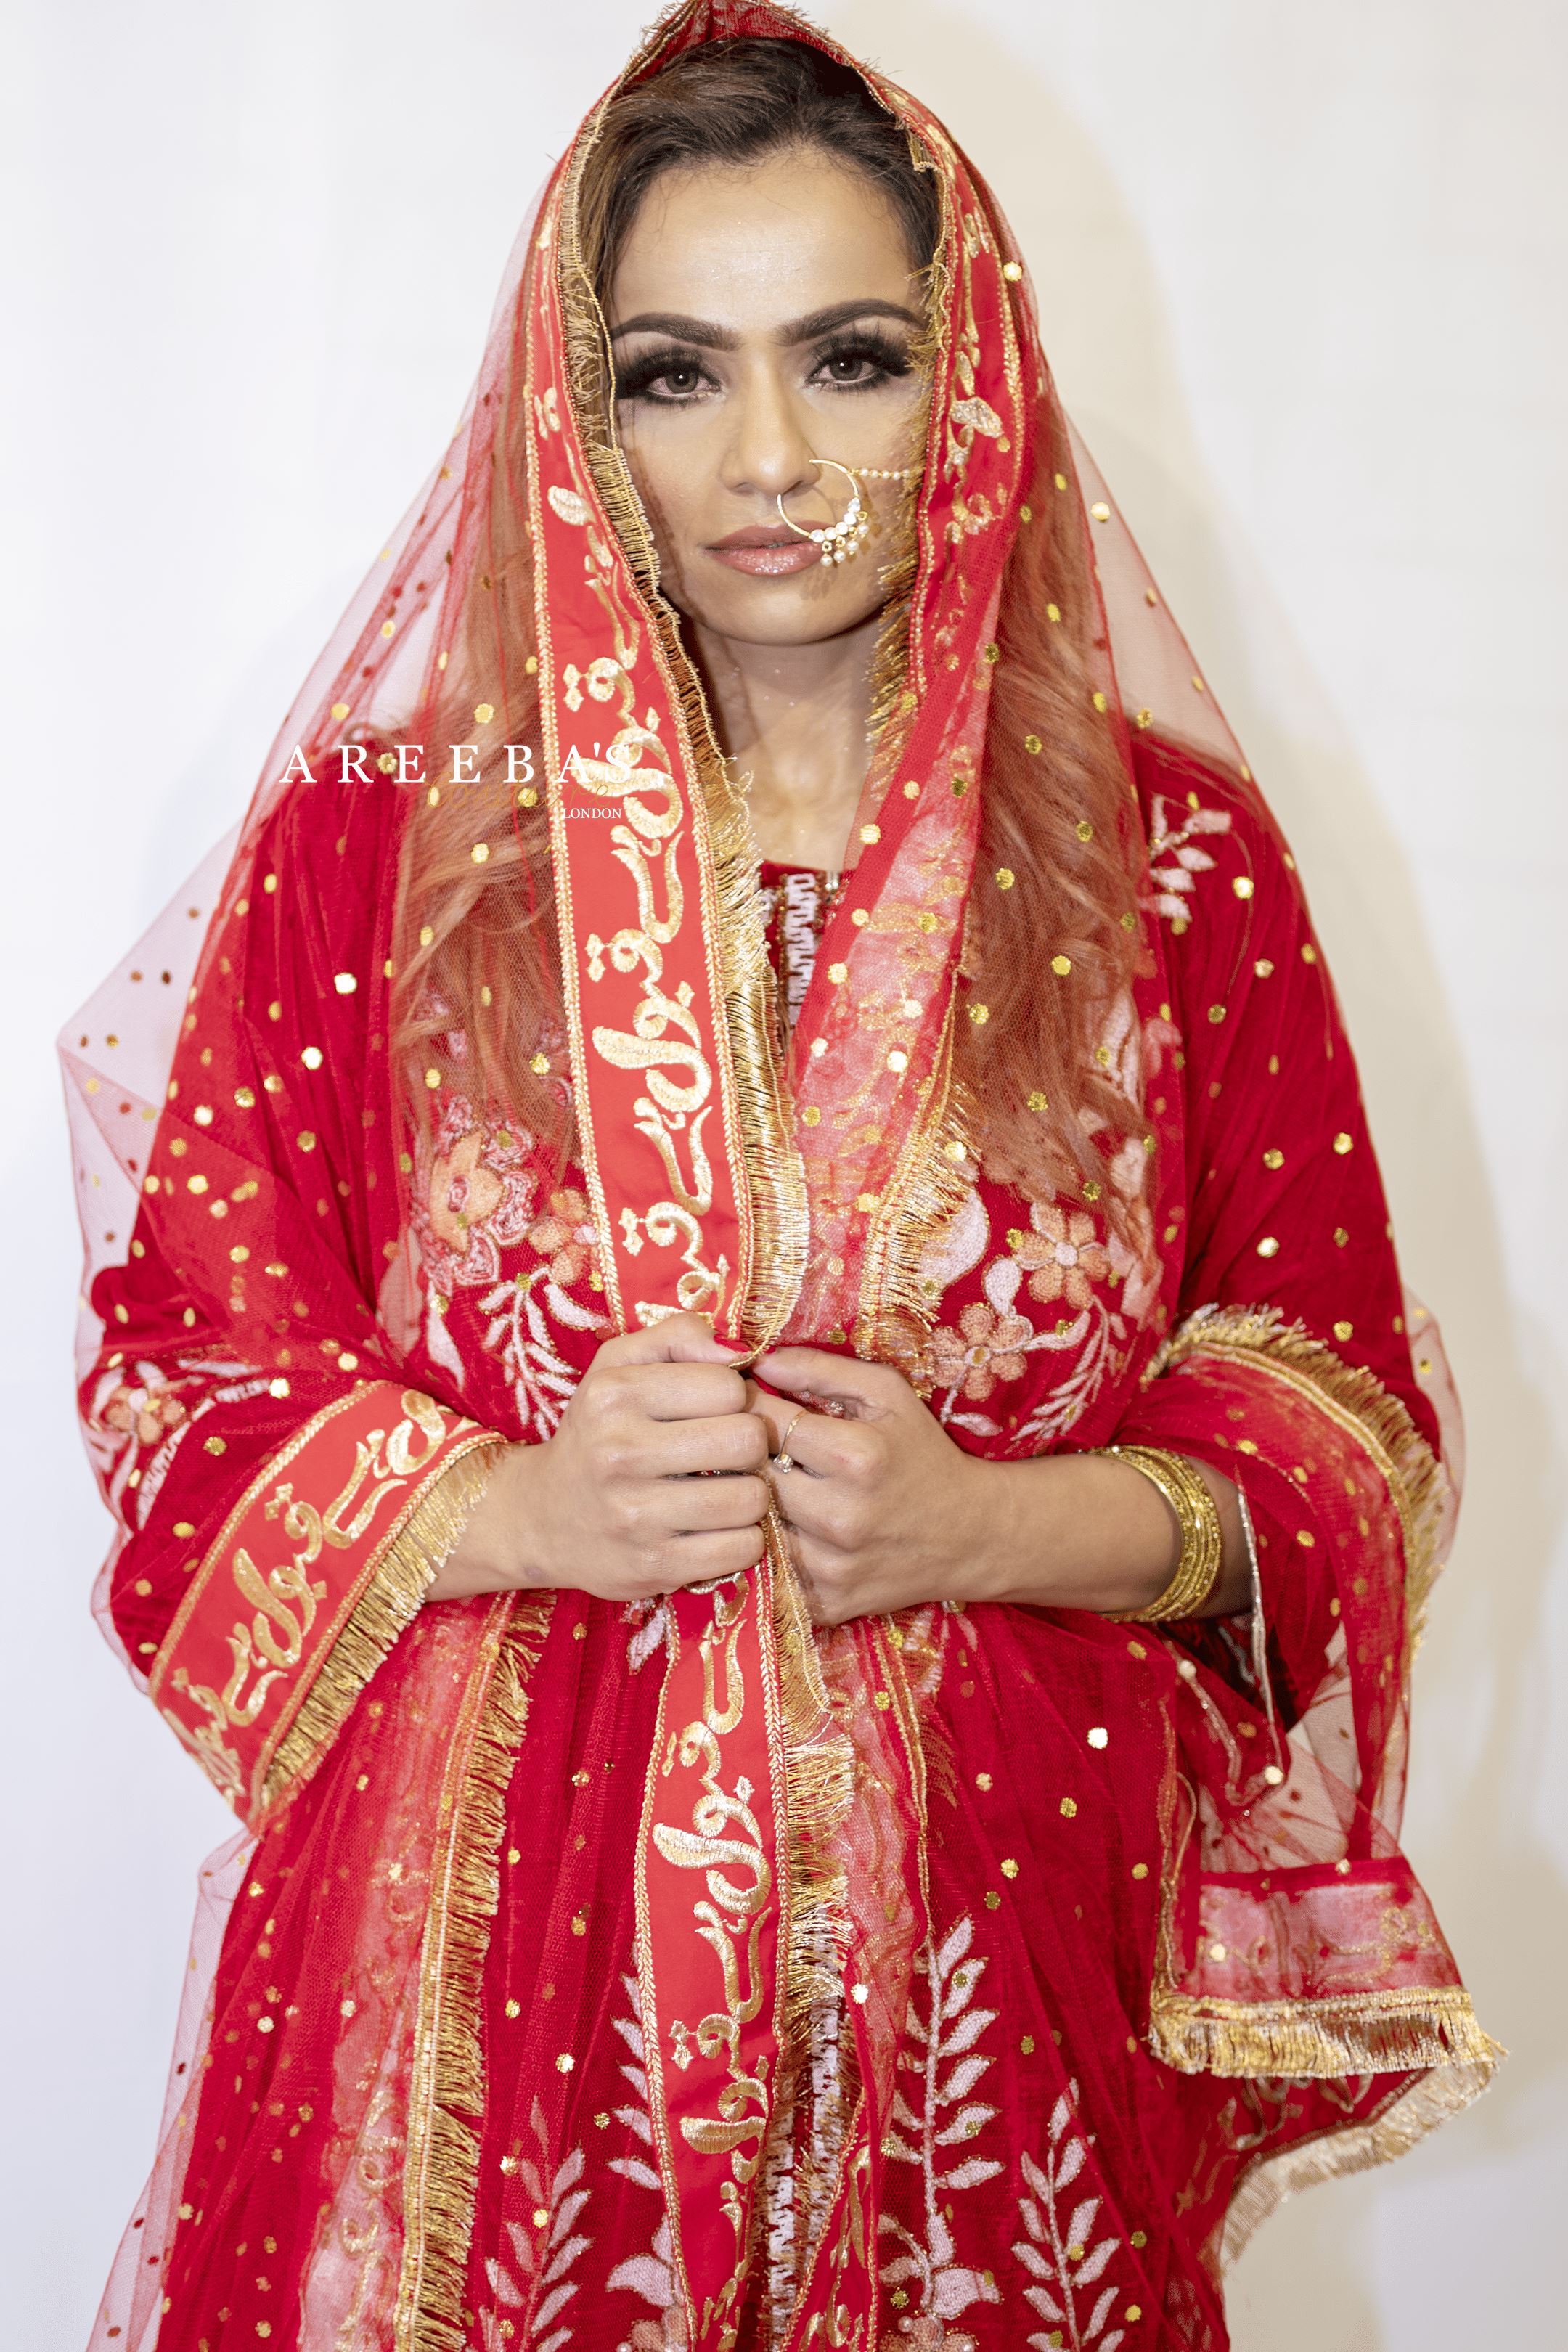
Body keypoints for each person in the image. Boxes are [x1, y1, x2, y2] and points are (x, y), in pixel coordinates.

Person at [65, 7, 1495, 2347]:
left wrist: (988, 1526)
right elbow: (182, 1376)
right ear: (570, 407)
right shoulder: (388, 858)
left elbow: (1342, 1426)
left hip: (991, 1978)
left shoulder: (1164, 868)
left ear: (976, 376)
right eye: (669, 372)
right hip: (473, 2006)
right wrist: (509, 1508)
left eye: (849, 358)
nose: (766, 457)